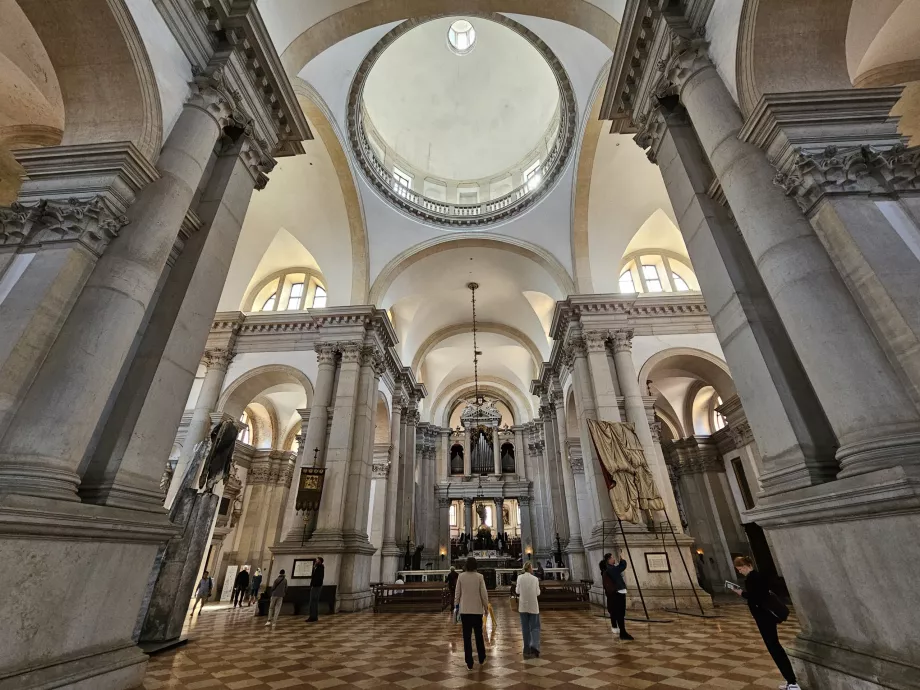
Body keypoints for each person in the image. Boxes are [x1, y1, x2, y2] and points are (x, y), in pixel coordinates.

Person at [732, 556, 799, 690]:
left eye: (740, 569)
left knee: (774, 647)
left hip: (765, 617)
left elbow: (757, 597)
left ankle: (792, 682)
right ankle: (790, 680)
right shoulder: (755, 577)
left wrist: (741, 593)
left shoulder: (753, 578)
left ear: (747, 565)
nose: (740, 571)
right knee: (773, 646)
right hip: (764, 617)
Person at [455, 556, 489, 670]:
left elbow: (457, 593)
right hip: (476, 610)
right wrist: (486, 607)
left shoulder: (461, 576)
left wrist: (456, 606)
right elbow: (484, 594)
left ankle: (469, 662)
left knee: (466, 637)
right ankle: (481, 658)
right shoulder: (479, 577)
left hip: (465, 610)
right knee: (479, 636)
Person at [601, 552, 633, 640]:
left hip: (616, 593)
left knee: (617, 612)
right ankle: (622, 632)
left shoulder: (609, 569)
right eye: (612, 558)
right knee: (619, 613)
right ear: (609, 560)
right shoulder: (610, 569)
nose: (614, 559)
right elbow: (621, 567)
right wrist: (623, 560)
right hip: (617, 593)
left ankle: (620, 630)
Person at [516, 562, 541, 658]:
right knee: (534, 627)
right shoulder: (534, 579)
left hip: (523, 606)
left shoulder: (519, 578)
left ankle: (526, 648)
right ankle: (535, 647)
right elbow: (538, 593)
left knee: (525, 628)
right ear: (530, 568)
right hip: (533, 605)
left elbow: (517, 591)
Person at [305, 557, 324, 622]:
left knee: (313, 602)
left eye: (317, 560)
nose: (315, 561)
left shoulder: (320, 568)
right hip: (316, 586)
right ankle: (314, 616)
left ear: (320, 561)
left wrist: (314, 585)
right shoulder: (318, 567)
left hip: (316, 586)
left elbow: (317, 578)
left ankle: (313, 616)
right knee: (313, 602)